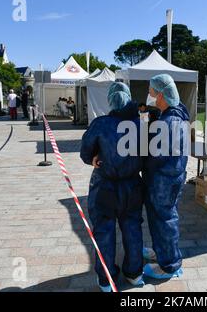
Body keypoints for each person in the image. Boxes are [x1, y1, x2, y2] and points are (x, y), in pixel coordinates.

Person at [80, 83, 144, 293]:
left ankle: (107, 279)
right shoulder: (140, 124)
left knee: (105, 232)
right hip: (133, 185)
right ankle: (134, 273)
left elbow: (85, 153)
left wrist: (96, 157)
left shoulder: (101, 123)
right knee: (132, 229)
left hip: (105, 186)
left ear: (110, 100)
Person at [142, 74, 189, 280]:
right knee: (160, 218)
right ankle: (161, 252)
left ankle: (169, 264)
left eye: (151, 91)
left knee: (165, 220)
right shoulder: (174, 115)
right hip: (169, 176)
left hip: (164, 179)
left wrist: (140, 163)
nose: (149, 95)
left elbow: (156, 156)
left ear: (160, 94)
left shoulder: (170, 121)